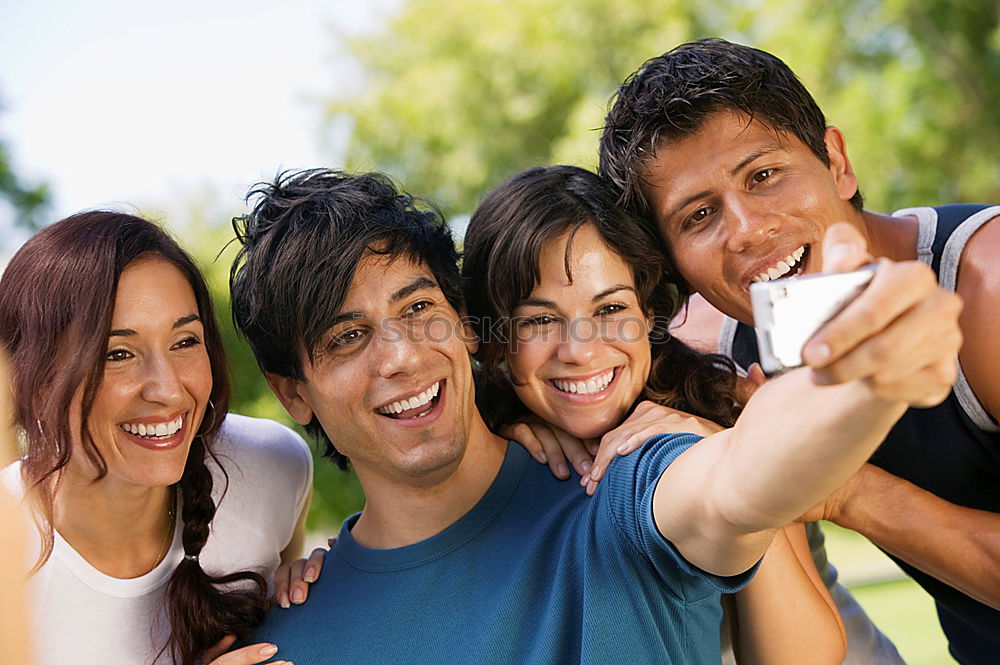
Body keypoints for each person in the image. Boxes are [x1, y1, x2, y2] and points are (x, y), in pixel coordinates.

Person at [232, 167, 957, 664]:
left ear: (462, 324)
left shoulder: (622, 472)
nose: (400, 357)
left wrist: (856, 383)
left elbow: (737, 480)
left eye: (419, 310)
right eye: (347, 336)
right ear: (293, 390)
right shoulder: (284, 631)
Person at [597, 38, 1000, 665]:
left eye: (763, 176)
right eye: (699, 216)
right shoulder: (720, 346)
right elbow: (561, 363)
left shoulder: (987, 284)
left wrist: (848, 492)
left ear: (836, 161)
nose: (747, 229)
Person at [462, 164, 845, 664]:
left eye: (610, 311)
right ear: (495, 345)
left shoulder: (724, 405)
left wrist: (731, 455)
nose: (580, 351)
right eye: (539, 320)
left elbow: (803, 657)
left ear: (648, 316)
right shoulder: (490, 441)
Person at [0, 212, 312, 665]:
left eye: (185, 341)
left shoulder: (271, 466)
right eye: (118, 354)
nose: (167, 390)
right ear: (35, 378)